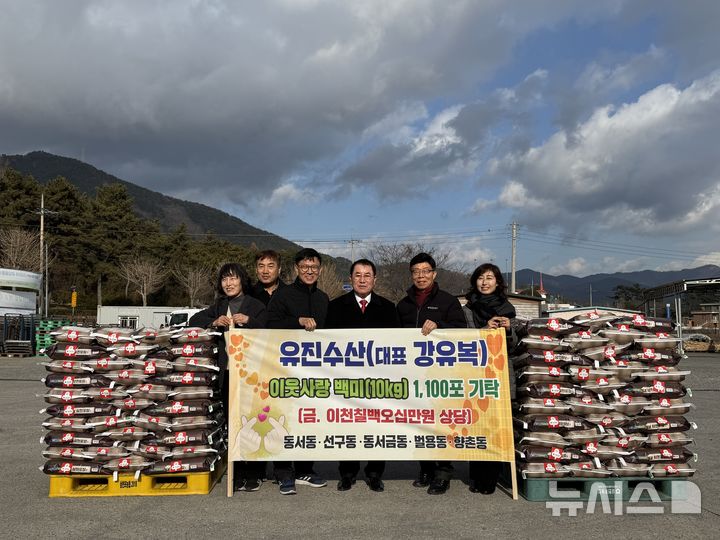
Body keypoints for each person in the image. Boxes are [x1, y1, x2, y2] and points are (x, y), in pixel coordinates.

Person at [188, 262, 267, 492]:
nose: (229, 283)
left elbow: (269, 331)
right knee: (232, 423)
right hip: (226, 374)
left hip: (251, 376)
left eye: (233, 278)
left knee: (252, 422)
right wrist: (214, 322)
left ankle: (254, 471)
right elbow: (194, 322)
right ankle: (237, 471)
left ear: (242, 280)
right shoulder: (219, 305)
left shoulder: (256, 305)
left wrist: (249, 322)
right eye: (225, 279)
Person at [325, 258, 400, 493]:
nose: (363, 279)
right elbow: (326, 344)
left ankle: (375, 473)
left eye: (367, 275)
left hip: (379, 381)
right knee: (348, 426)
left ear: (375, 279)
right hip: (346, 380)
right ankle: (347, 473)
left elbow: (398, 346)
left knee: (377, 427)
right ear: (350, 279)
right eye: (358, 275)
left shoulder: (389, 307)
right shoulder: (335, 306)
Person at [396, 252, 466, 495]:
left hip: (440, 375)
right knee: (418, 422)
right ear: (411, 275)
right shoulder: (403, 304)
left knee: (441, 423)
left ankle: (443, 472)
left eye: (426, 271)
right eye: (416, 272)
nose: (421, 275)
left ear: (434, 274)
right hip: (412, 376)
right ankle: (425, 468)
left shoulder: (448, 301)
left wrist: (440, 326)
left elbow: (461, 330)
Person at [266, 247, 329, 494]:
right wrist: (297, 322)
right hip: (284, 371)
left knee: (308, 420)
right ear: (296, 269)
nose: (309, 271)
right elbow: (269, 325)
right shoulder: (282, 296)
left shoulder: (324, 298)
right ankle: (283, 473)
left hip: (315, 373)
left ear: (320, 269)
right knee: (283, 420)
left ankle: (305, 468)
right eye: (305, 267)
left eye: (314, 267)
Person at [463, 262, 518, 494]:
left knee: (497, 427)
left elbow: (515, 346)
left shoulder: (508, 309)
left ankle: (491, 478)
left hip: (501, 375)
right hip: (476, 375)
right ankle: (475, 476)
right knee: (476, 426)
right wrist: (484, 329)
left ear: (498, 282)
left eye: (489, 278)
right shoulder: (467, 308)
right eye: (480, 278)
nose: (484, 282)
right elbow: (462, 340)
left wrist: (508, 329)